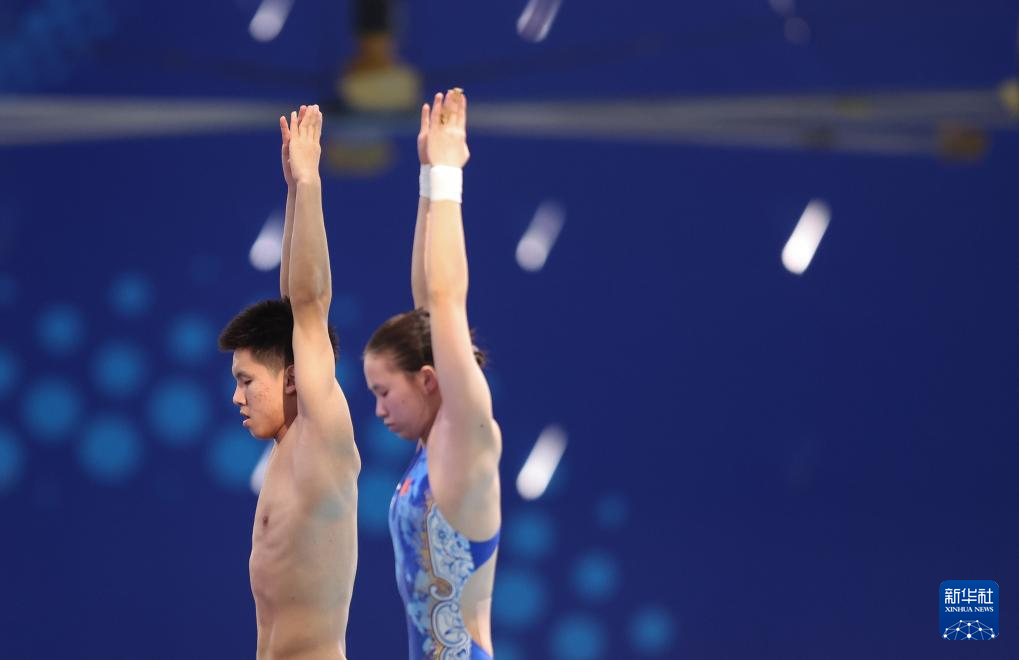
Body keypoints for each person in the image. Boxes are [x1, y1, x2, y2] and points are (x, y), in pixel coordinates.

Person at [363, 89, 502, 659]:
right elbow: (428, 303)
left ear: (427, 379)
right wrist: (427, 180)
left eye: (383, 392)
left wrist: (448, 175)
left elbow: (445, 301)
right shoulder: (433, 444)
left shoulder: (464, 433)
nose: (378, 410)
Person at [218, 104, 360, 660]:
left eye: (247, 381)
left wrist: (310, 179)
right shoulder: (286, 449)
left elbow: (309, 303)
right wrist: (293, 193)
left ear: (295, 378)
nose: (237, 397)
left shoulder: (320, 437)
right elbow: (290, 303)